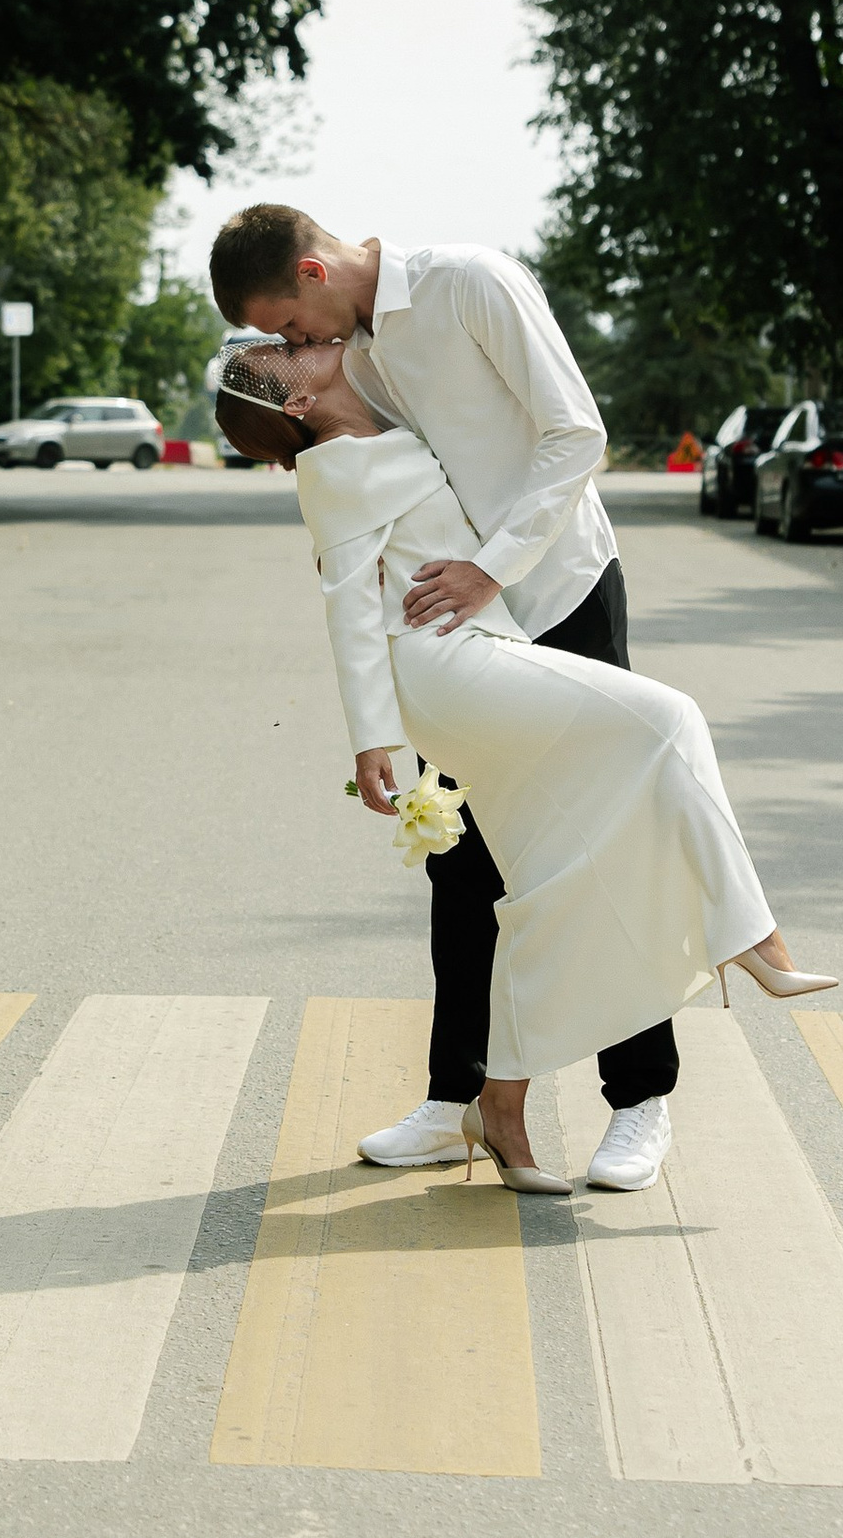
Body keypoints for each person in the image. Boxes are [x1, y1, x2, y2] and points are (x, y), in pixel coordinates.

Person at [213, 340, 832, 1191]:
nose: (298, 346)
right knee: (666, 722)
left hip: (506, 635)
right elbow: (350, 612)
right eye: (280, 353)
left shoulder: (386, 382)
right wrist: (372, 743)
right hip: (453, 666)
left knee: (548, 877)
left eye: (286, 333)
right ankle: (751, 939)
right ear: (292, 406)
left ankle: (510, 1108)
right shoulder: (335, 469)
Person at [209, 203, 681, 1190]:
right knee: (460, 857)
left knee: (599, 848)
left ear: (310, 269)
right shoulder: (349, 354)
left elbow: (574, 434)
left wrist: (491, 568)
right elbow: (352, 468)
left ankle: (638, 1100)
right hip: (459, 630)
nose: (296, 346)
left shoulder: (471, 282)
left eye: (289, 328)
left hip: (560, 590)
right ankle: (453, 1100)